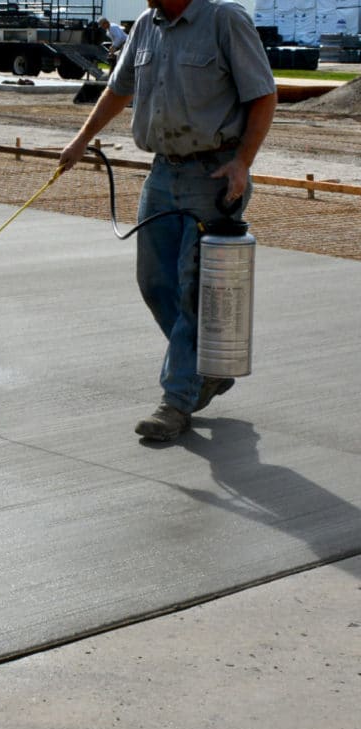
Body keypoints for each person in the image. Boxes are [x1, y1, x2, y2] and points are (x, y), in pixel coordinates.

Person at [60, 0, 277, 443]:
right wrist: (82, 139)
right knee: (155, 282)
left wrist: (242, 163)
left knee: (193, 292)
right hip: (162, 174)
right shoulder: (145, 25)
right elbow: (119, 90)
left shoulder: (224, 20)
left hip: (213, 176)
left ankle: (176, 401)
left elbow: (263, 95)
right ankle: (205, 369)